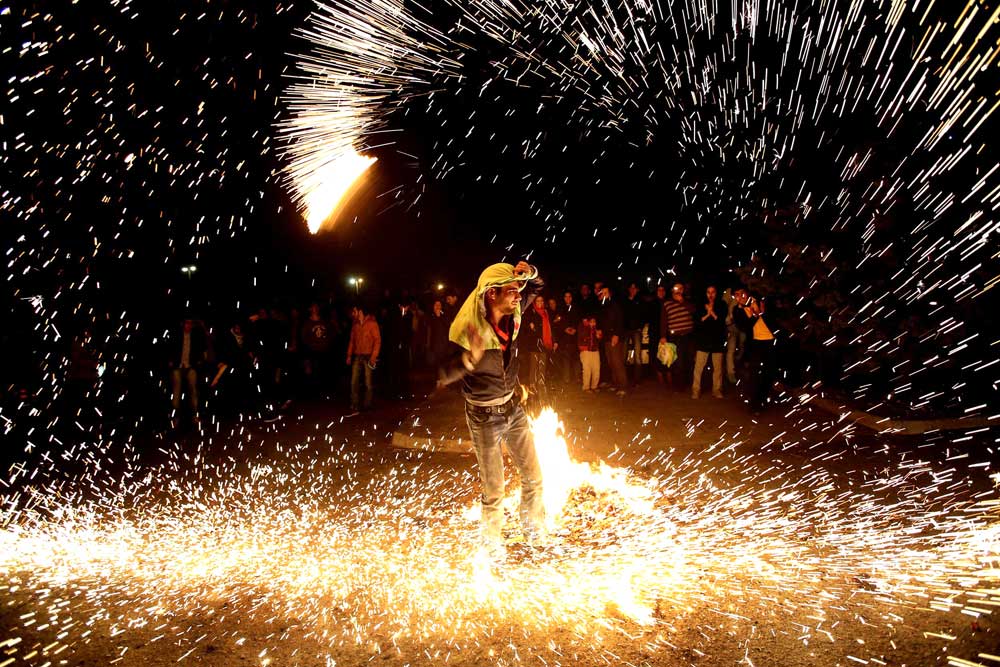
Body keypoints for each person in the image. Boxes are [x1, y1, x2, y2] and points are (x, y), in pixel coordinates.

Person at [438, 261, 546, 562]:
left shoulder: (513, 310)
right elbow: (443, 375)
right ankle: (491, 550)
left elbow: (537, 286)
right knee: (494, 491)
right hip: (484, 417)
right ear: (491, 293)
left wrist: (529, 273)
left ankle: (535, 534)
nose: (517, 296)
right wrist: (469, 359)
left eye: (517, 291)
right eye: (512, 291)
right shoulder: (464, 328)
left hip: (514, 409)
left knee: (534, 478)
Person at [732, 288, 779, 415]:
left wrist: (761, 312)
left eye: (742, 294)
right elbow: (744, 327)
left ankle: (763, 398)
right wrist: (755, 315)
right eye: (736, 295)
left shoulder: (759, 303)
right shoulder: (738, 311)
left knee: (768, 373)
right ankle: (754, 405)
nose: (740, 296)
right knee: (754, 375)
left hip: (770, 341)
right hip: (755, 344)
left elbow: (774, 320)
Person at [169, 318, 207, 428]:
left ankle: (194, 415)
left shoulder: (195, 336)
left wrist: (198, 361)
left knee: (193, 390)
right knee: (176, 391)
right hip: (178, 366)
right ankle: (175, 416)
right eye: (187, 323)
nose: (189, 326)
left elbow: (201, 348)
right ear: (183, 324)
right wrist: (171, 361)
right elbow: (171, 348)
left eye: (191, 323)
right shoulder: (177, 335)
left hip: (190, 366)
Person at [691, 285, 727, 399]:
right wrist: (707, 313)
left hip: (717, 340)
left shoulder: (722, 304)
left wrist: (712, 313)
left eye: (713, 292)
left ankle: (716, 390)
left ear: (716, 293)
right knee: (698, 368)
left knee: (718, 368)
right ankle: (696, 390)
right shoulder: (700, 305)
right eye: (708, 292)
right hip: (703, 340)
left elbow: (721, 321)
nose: (710, 295)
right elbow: (698, 321)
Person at [659, 282, 695, 391]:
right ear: (672, 290)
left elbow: (693, 311)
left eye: (680, 288)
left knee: (689, 360)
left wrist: (682, 301)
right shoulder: (667, 303)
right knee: (678, 362)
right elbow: (664, 321)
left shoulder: (688, 301)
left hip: (688, 335)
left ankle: (689, 382)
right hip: (676, 337)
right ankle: (679, 386)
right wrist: (663, 336)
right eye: (676, 288)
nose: (678, 290)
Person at [346, 304, 381, 411]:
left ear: (360, 312)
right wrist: (349, 355)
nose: (353, 313)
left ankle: (367, 404)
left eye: (355, 311)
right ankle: (354, 403)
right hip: (357, 355)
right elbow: (352, 341)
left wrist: (373, 357)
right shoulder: (355, 324)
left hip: (368, 356)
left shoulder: (372, 323)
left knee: (368, 382)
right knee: (354, 381)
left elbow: (377, 340)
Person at [521, 294, 554, 398]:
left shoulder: (546, 313)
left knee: (542, 365)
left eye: (542, 301)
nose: (540, 303)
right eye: (538, 301)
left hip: (544, 343)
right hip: (534, 344)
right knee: (534, 365)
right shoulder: (531, 313)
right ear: (535, 303)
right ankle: (532, 385)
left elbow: (549, 328)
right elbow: (527, 328)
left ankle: (541, 384)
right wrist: (531, 326)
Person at [597, 285, 628, 396]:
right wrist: (600, 330)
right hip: (606, 338)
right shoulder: (603, 306)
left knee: (617, 362)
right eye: (602, 292)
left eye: (606, 292)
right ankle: (616, 384)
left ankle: (623, 386)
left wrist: (616, 335)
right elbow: (602, 321)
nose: (604, 295)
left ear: (609, 293)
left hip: (614, 338)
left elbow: (620, 320)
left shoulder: (615, 305)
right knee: (611, 362)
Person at [301, 303, 331, 396]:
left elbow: (328, 334)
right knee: (313, 370)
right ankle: (314, 392)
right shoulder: (307, 323)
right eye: (313, 307)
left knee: (322, 370)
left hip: (323, 350)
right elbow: (304, 338)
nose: (315, 309)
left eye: (316, 307)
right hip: (312, 350)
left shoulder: (323, 321)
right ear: (310, 309)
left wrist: (326, 343)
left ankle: (322, 390)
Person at [554, 290, 580, 386]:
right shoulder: (560, 309)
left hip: (574, 339)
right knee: (566, 360)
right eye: (566, 296)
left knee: (576, 360)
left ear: (571, 298)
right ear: (564, 298)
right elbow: (557, 322)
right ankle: (566, 379)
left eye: (569, 296)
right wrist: (565, 328)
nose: (567, 298)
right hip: (564, 339)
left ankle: (577, 378)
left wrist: (574, 329)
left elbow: (578, 321)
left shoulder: (576, 309)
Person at [623, 282, 646, 385]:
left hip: (636, 330)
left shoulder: (640, 301)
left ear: (637, 290)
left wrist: (640, 327)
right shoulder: (624, 300)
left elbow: (643, 314)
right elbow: (623, 314)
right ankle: (623, 377)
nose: (632, 290)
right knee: (623, 354)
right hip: (626, 330)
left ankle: (637, 379)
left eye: (634, 288)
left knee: (637, 355)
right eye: (631, 288)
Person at [724, 288, 746, 385]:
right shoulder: (730, 295)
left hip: (742, 328)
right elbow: (725, 304)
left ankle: (739, 364)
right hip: (731, 328)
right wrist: (729, 320)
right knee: (731, 350)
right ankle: (730, 373)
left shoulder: (745, 299)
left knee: (743, 347)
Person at [577, 315, 601, 391]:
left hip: (595, 351)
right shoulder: (583, 327)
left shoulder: (597, 330)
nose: (593, 323)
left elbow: (599, 339)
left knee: (596, 369)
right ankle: (586, 387)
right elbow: (581, 337)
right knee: (587, 370)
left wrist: (599, 336)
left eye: (594, 322)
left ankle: (594, 386)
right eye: (591, 322)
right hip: (586, 351)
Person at [425, 299, 451, 369]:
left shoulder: (445, 314)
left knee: (443, 364)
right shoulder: (430, 316)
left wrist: (440, 316)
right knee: (435, 365)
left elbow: (448, 325)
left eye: (439, 305)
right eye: (436, 305)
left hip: (443, 344)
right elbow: (428, 329)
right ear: (433, 306)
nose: (437, 307)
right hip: (433, 345)